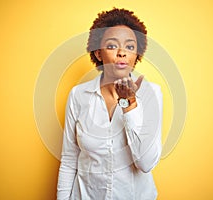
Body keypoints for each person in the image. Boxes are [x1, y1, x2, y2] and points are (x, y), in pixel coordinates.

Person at [57, 8, 163, 200]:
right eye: (112, 46)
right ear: (98, 53)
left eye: (130, 47)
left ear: (136, 54)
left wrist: (130, 104)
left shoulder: (151, 94)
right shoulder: (78, 96)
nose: (122, 53)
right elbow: (69, 159)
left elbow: (146, 163)